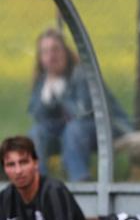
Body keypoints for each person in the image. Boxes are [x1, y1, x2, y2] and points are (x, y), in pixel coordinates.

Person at [28, 29, 131, 182]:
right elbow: (37, 117)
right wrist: (47, 98)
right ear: (40, 59)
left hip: (105, 126)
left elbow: (84, 112)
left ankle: (81, 181)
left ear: (66, 52)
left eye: (55, 49)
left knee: (74, 130)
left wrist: (62, 94)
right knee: (36, 132)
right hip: (67, 132)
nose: (51, 56)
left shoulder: (82, 74)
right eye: (45, 52)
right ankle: (37, 183)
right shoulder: (43, 81)